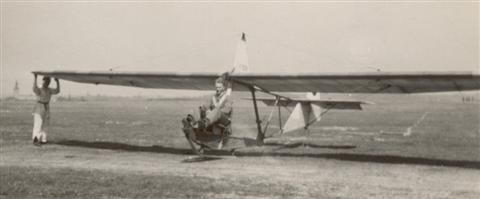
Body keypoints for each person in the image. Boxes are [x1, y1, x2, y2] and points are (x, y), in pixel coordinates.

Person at [32, 74, 60, 145]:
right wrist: (35, 78)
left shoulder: (49, 90)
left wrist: (57, 81)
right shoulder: (40, 89)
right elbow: (34, 88)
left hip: (47, 106)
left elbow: (57, 91)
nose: (47, 83)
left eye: (48, 81)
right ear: (43, 81)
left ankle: (44, 139)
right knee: (38, 123)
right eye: (46, 81)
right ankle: (36, 139)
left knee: (46, 124)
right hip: (39, 106)